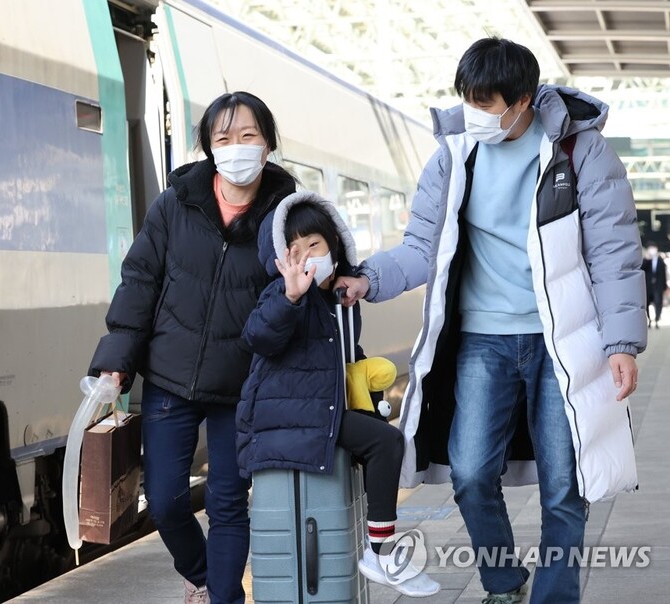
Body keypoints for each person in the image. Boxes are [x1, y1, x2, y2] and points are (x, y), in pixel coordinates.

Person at [335, 37, 646, 604]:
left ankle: (554, 597)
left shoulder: (578, 150)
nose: (473, 113)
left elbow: (613, 253)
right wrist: (367, 279)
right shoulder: (455, 154)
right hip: (483, 340)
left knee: (564, 484)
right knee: (472, 472)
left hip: (562, 343)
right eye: (468, 99)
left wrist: (622, 342)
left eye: (486, 102)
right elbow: (422, 246)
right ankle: (504, 583)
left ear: (522, 100)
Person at [89, 91, 296, 604]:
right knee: (163, 501)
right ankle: (202, 576)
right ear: (208, 147)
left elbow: (308, 284)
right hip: (170, 377)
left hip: (241, 385)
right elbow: (140, 281)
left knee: (228, 503)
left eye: (248, 135)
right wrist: (115, 363)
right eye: (224, 138)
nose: (236, 147)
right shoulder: (175, 204)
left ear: (267, 145)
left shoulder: (286, 217)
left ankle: (223, 598)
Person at [235, 192, 441, 598]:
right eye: (294, 251)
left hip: (315, 410)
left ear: (334, 243)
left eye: (314, 244)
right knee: (386, 442)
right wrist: (290, 296)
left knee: (383, 439)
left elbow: (338, 357)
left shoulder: (340, 298)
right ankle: (381, 552)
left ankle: (379, 547)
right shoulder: (284, 294)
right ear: (282, 260)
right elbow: (258, 336)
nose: (307, 257)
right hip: (288, 418)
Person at [641, 243, 667, 328]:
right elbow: (642, 269)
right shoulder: (646, 260)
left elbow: (663, 275)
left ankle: (656, 319)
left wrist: (664, 287)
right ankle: (649, 320)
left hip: (658, 287)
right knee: (647, 304)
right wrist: (647, 259)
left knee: (658, 303)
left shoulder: (660, 261)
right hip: (648, 287)